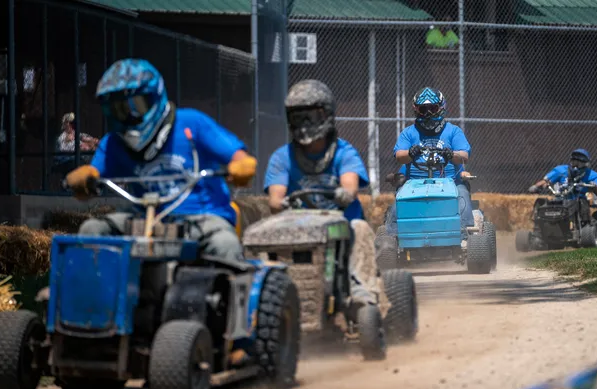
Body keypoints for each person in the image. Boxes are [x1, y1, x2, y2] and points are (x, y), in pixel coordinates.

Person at [64, 58, 257, 262]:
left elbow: (237, 156)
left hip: (203, 217)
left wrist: (241, 166)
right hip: (146, 219)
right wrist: (85, 179)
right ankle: (96, 290)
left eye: (134, 106)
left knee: (224, 244)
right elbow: (94, 177)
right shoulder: (113, 143)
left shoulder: (192, 123)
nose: (127, 117)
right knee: (92, 229)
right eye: (117, 110)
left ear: (155, 98)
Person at [264, 79, 388, 316]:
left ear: (327, 115)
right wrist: (281, 203)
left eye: (313, 115)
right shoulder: (282, 158)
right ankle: (271, 300)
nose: (306, 123)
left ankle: (363, 294)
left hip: (342, 226)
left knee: (360, 227)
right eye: (299, 116)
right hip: (300, 228)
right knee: (266, 236)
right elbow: (274, 198)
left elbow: (350, 184)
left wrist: (346, 193)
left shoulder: (344, 152)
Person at [392, 86, 474, 248]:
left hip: (450, 183)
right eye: (424, 109)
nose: (428, 113)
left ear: (441, 108)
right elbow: (399, 156)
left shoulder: (453, 131)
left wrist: (451, 155)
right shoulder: (409, 133)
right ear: (417, 110)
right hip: (414, 184)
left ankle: (465, 236)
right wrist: (410, 153)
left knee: (463, 196)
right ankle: (393, 238)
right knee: (396, 206)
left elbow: (464, 156)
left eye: (432, 108)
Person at [528, 148, 597, 199]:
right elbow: (546, 181)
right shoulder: (561, 170)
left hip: (580, 202)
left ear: (586, 164)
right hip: (561, 201)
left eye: (580, 163)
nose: (576, 165)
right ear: (571, 161)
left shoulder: (592, 175)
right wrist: (536, 186)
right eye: (575, 161)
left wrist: (595, 187)